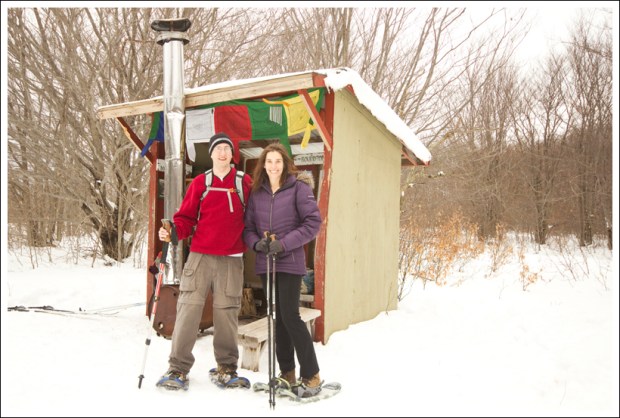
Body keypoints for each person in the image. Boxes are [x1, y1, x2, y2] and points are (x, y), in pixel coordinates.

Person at [156, 133, 252, 391]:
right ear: (211, 154)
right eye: (218, 149)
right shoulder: (200, 182)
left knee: (227, 314)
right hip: (200, 257)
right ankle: (177, 368)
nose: (222, 153)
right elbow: (185, 218)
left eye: (227, 149)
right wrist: (173, 231)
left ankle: (226, 368)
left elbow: (257, 216)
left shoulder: (244, 183)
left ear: (233, 155)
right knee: (188, 310)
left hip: (232, 259)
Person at [243, 143, 323, 398]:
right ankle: (287, 372)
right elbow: (248, 229)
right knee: (276, 317)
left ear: (285, 164)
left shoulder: (299, 188)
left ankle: (311, 374)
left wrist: (284, 244)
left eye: (278, 161)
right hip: (267, 264)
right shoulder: (257, 194)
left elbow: (313, 223)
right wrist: (258, 243)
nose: (273, 166)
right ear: (263, 165)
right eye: (269, 162)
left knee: (290, 316)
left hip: (289, 263)